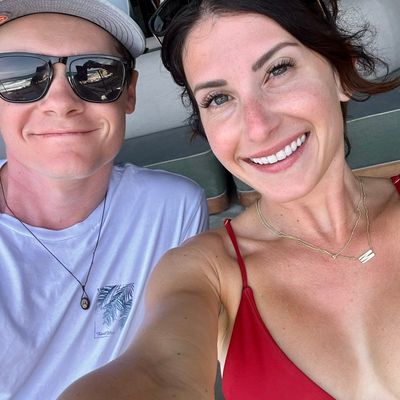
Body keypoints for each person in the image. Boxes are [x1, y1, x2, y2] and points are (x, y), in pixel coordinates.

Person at [60, 0, 400, 399]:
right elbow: (159, 369)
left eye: (278, 70)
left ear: (341, 73)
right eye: (218, 98)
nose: (258, 127)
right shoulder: (204, 270)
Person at [0, 0, 209, 399]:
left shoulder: (172, 209)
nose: (61, 102)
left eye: (94, 72)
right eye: (20, 75)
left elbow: (175, 362)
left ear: (129, 92)